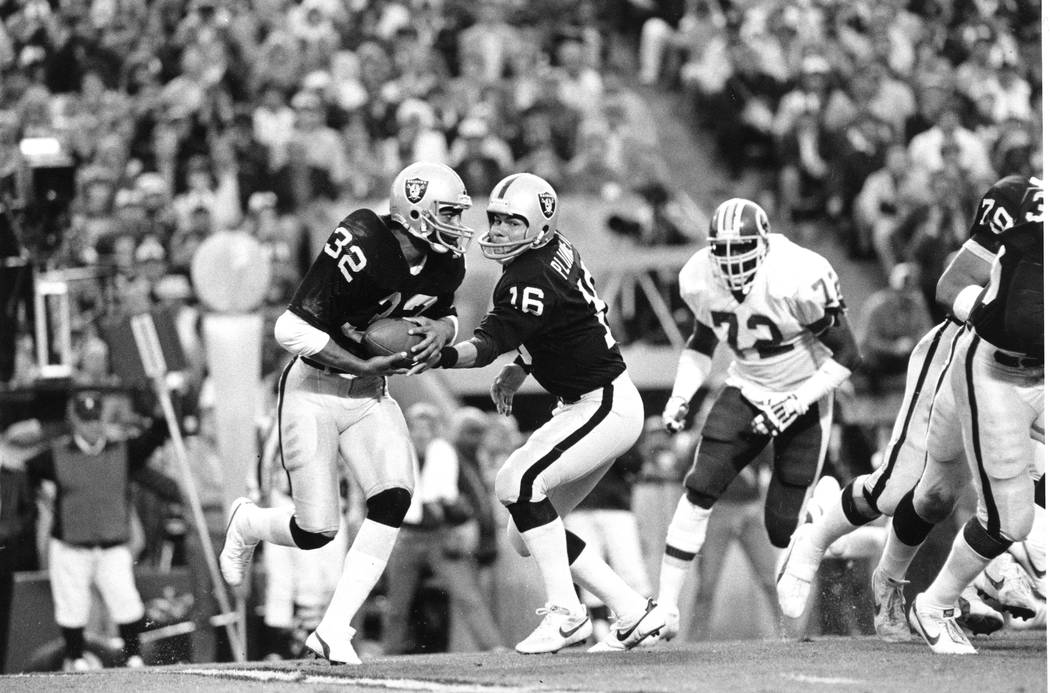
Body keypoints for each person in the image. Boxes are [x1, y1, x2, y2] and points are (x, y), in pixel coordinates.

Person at [219, 161, 475, 665]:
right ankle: (248, 523)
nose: (456, 223)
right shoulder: (363, 238)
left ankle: (334, 628)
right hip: (313, 389)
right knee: (316, 531)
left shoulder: (446, 264)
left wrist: (443, 331)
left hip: (368, 394)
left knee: (395, 495)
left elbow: (441, 310)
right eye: (447, 212)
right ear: (416, 213)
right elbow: (290, 330)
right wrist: (362, 359)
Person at [776, 176, 1043, 640]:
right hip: (966, 354)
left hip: (1031, 375)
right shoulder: (1019, 200)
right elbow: (952, 284)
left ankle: (967, 584)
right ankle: (817, 535)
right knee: (899, 490)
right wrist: (998, 321)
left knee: (970, 496)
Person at [418, 172, 665, 654]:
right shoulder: (554, 251)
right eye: (496, 219)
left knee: (515, 482)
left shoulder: (527, 277)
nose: (500, 230)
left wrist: (440, 354)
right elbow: (560, 322)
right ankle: (631, 608)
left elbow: (486, 344)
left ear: (539, 227)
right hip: (595, 401)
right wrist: (523, 366)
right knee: (524, 534)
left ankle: (567, 613)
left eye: (513, 222)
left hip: (602, 404)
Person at [656, 198, 862, 639]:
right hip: (746, 387)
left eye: (741, 251)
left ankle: (824, 516)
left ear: (764, 245)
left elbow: (848, 355)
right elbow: (700, 341)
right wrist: (680, 397)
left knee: (782, 526)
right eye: (722, 253)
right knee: (699, 486)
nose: (730, 265)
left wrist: (797, 400)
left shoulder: (798, 274)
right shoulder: (697, 275)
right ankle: (666, 609)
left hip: (805, 393)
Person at [889, 179, 1044, 654]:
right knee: (997, 515)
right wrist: (984, 311)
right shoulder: (1021, 203)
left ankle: (987, 578)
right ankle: (933, 603)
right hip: (994, 369)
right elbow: (954, 286)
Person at [19, 391, 183, 671]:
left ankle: (133, 655)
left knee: (125, 599)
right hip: (71, 543)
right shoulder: (56, 454)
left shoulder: (123, 451)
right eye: (86, 421)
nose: (92, 427)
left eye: (96, 420)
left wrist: (168, 397)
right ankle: (76, 656)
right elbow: (28, 471)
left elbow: (154, 437)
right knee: (72, 603)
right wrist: (44, 504)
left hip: (112, 543)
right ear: (76, 423)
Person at [381, 402, 503, 655]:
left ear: (435, 430)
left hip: (441, 533)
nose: (422, 433)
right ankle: (389, 654)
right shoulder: (395, 453)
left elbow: (470, 493)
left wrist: (464, 517)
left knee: (468, 595)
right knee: (397, 604)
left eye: (427, 428)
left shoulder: (448, 454)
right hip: (406, 535)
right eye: (416, 428)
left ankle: (495, 648)